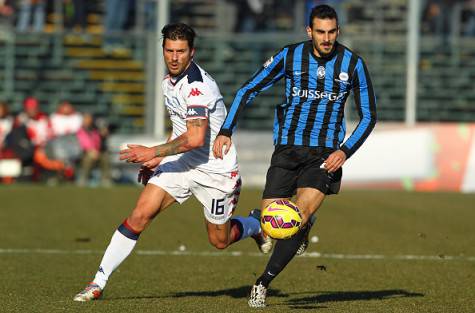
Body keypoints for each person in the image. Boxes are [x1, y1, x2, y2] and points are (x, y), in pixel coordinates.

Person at [73, 22, 272, 302]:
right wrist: (159, 160)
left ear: (192, 52)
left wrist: (154, 152)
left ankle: (255, 225)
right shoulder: (169, 82)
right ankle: (98, 282)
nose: (174, 57)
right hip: (181, 163)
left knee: (220, 241)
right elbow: (180, 128)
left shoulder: (198, 87)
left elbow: (195, 138)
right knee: (139, 215)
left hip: (216, 170)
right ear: (163, 49)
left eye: (180, 51)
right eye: (169, 50)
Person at [212, 4, 377, 308]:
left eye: (331, 32)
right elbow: (247, 89)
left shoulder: (353, 64)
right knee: (274, 225)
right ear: (309, 31)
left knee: (294, 219)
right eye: (320, 32)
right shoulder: (290, 56)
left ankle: (263, 282)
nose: (326, 38)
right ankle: (287, 224)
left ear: (338, 31)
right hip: (287, 150)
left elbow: (368, 116)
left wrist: (345, 150)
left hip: (325, 154)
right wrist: (226, 129)